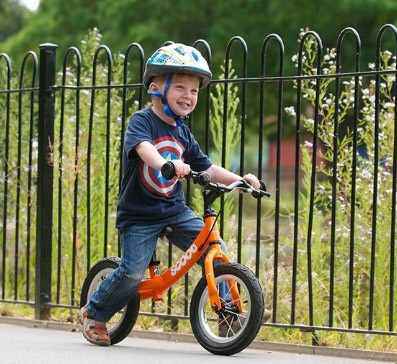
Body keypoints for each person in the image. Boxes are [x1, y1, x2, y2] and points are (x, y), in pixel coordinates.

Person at [79, 43, 270, 346]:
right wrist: (165, 163)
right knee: (131, 273)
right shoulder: (142, 121)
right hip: (139, 214)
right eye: (180, 87)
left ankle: (228, 315)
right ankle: (95, 312)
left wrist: (242, 180)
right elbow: (145, 150)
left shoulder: (183, 133)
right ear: (156, 87)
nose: (188, 96)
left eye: (194, 91)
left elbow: (208, 167)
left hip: (173, 210)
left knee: (214, 249)